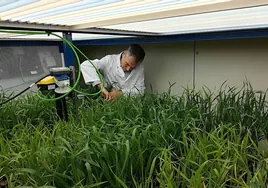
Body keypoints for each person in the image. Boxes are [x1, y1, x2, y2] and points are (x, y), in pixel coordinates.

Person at [81, 44, 146, 102]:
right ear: (124, 54)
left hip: (127, 105)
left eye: (132, 67)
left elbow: (140, 92)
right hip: (105, 101)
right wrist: (102, 88)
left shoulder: (139, 69)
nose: (128, 68)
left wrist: (120, 94)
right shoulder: (109, 60)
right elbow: (86, 65)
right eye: (127, 64)